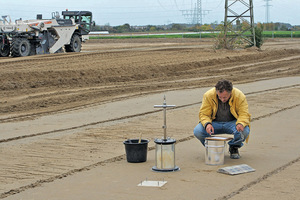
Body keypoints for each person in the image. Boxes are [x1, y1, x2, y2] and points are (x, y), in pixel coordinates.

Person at [193, 79, 251, 159]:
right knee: (198, 131)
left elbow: (244, 114)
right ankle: (212, 148)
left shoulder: (239, 96)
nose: (222, 99)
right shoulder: (208, 95)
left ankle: (234, 147)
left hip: (232, 123)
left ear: (230, 92)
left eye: (225, 97)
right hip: (214, 123)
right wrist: (207, 124)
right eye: (220, 97)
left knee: (244, 131)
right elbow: (204, 114)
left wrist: (241, 123)